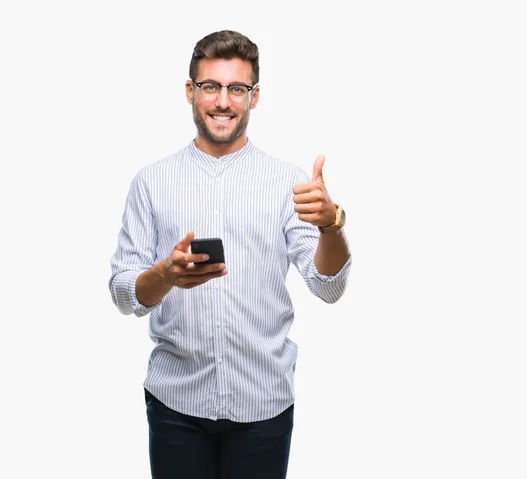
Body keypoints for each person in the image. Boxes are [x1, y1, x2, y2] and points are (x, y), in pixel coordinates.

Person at [109, 30, 351, 479]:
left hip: (263, 405)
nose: (223, 101)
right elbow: (125, 294)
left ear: (254, 97)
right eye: (211, 87)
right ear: (190, 91)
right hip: (175, 404)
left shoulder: (286, 183)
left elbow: (328, 286)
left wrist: (330, 225)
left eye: (236, 88)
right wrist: (164, 274)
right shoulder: (151, 182)